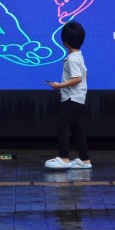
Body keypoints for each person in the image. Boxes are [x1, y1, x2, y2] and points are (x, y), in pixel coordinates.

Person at [44, 21, 92, 170]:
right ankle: (85, 160)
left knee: (61, 125)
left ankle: (64, 158)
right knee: (77, 128)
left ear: (64, 42)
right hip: (77, 97)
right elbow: (85, 74)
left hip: (73, 98)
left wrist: (59, 85)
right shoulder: (78, 56)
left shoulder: (72, 58)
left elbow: (77, 78)